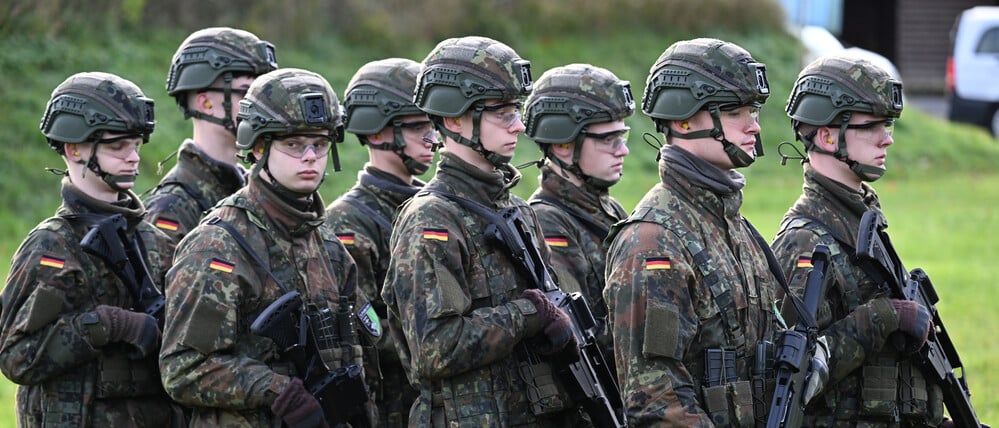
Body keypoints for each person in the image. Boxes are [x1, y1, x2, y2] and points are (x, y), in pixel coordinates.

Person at [380, 36, 586, 426]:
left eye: (516, 110)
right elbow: (434, 349)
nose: (519, 124)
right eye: (502, 113)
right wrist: (528, 314)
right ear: (455, 119)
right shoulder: (432, 220)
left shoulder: (517, 210)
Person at [159, 68, 377, 427]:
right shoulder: (218, 247)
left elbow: (356, 356)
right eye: (293, 144)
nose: (310, 156)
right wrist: (277, 390)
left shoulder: (329, 246)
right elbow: (184, 367)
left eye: (320, 145)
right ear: (258, 147)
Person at [603, 38, 789, 426]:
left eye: (753, 110)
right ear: (683, 118)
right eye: (735, 111)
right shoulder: (653, 241)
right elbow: (657, 402)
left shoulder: (732, 226)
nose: (753, 125)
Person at [0, 72, 183, 426]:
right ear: (74, 149)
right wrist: (109, 324)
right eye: (118, 147)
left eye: (136, 145)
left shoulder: (155, 241)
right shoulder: (52, 247)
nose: (133, 158)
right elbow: (17, 356)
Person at [771, 54, 941, 426]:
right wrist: (883, 317)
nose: (888, 138)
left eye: (889, 124)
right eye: (873, 126)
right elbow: (790, 380)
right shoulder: (805, 240)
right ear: (827, 135)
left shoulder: (861, 222)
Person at [324, 57, 434, 427]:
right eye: (418, 127)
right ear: (375, 133)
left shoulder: (431, 206)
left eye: (433, 124)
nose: (432, 137)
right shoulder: (349, 221)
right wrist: (440, 343)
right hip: (391, 407)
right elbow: (364, 325)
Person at [522, 63, 633, 368]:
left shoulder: (607, 210)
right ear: (562, 144)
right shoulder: (547, 222)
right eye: (608, 140)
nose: (622, 150)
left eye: (622, 137)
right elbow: (582, 331)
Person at [144, 26, 278, 243]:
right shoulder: (172, 207)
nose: (259, 105)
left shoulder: (257, 191)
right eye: (246, 92)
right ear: (205, 103)